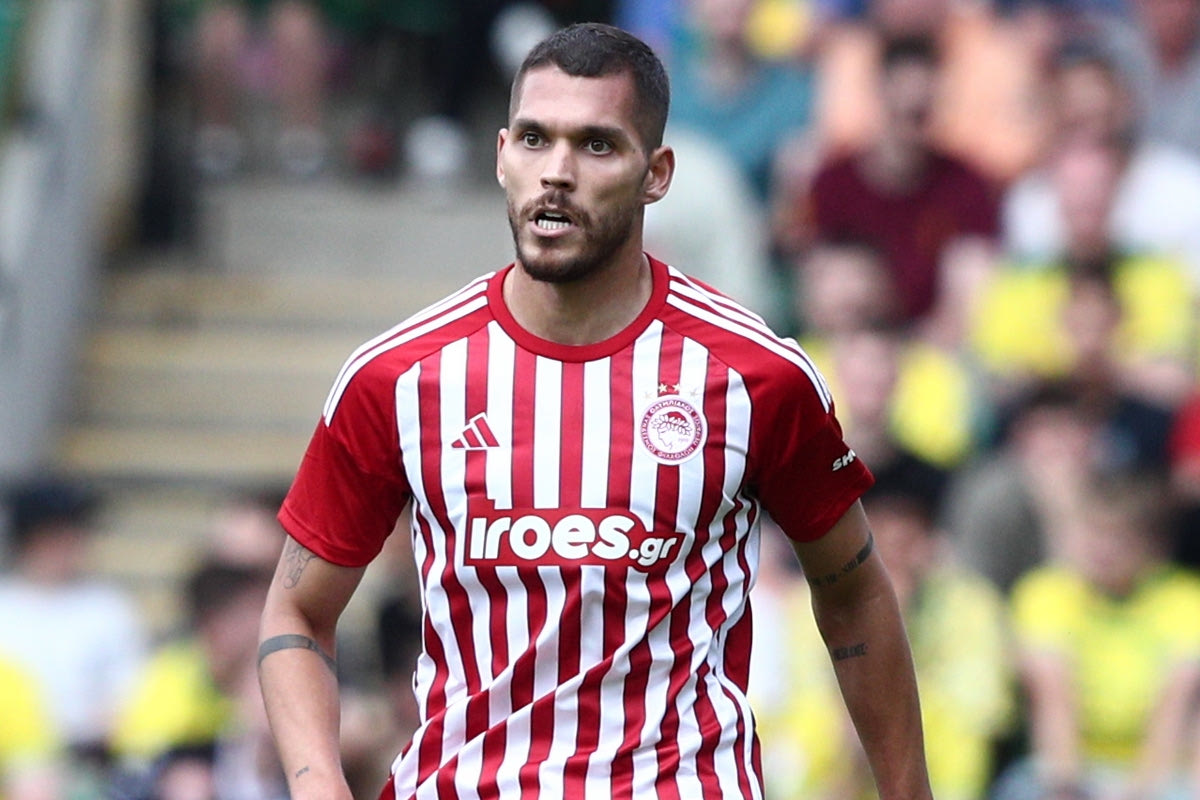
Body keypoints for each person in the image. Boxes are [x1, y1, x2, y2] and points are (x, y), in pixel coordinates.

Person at [257, 21, 933, 800]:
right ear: (500, 155)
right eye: (535, 140)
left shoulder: (757, 376)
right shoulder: (397, 378)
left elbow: (855, 595)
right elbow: (297, 610)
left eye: (597, 145)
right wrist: (318, 784)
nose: (557, 172)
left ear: (656, 174)